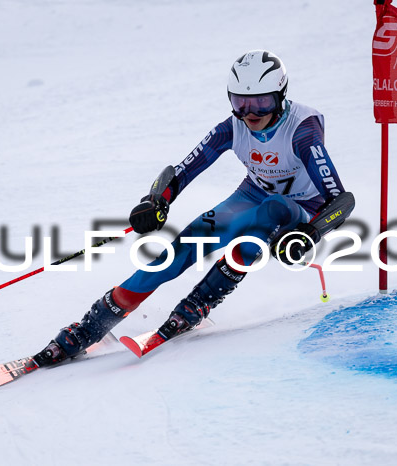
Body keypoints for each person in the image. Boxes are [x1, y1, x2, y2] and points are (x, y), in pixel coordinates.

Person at [33, 50, 355, 366]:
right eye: (240, 103)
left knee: (270, 210)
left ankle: (197, 304)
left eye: (261, 102)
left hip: (300, 208)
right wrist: (156, 201)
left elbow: (340, 199)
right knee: (186, 244)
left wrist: (310, 233)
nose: (251, 113)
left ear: (281, 96)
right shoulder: (233, 127)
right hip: (253, 195)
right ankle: (91, 326)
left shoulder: (302, 128)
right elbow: (184, 169)